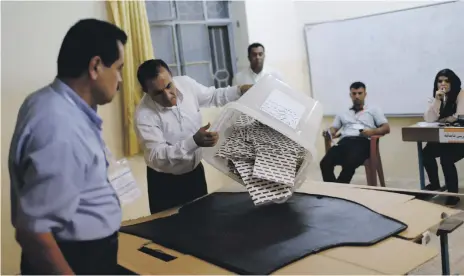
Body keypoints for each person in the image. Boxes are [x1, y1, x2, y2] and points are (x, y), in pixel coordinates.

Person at [8, 19, 127, 275]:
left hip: (86, 252)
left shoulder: (51, 102)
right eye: (118, 69)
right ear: (95, 66)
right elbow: (34, 231)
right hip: (74, 258)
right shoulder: (60, 125)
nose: (120, 80)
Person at [134, 59, 253, 214]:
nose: (168, 95)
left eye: (169, 86)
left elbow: (213, 96)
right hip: (164, 183)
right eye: (158, 93)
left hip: (195, 173)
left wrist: (240, 90)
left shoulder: (186, 84)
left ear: (172, 76)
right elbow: (157, 155)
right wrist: (194, 142)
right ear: (145, 91)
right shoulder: (143, 116)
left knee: (203, 222)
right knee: (166, 231)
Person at [320, 82, 390, 184]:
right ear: (350, 95)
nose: (357, 96)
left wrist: (372, 131)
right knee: (325, 163)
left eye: (359, 93)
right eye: (354, 93)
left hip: (363, 142)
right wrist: (329, 131)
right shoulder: (343, 112)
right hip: (345, 142)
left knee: (350, 161)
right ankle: (335, 191)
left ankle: (338, 190)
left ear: (365, 94)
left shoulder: (374, 110)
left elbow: (386, 128)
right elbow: (334, 128)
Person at [422, 68, 464, 207]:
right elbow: (429, 119)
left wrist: (445, 118)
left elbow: (459, 117)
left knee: (446, 158)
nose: (443, 84)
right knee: (426, 153)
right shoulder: (435, 97)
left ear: (453, 82)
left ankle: (453, 194)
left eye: (447, 81)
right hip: (445, 138)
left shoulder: (461, 94)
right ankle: (435, 185)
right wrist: (437, 100)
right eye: (440, 81)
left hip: (460, 139)